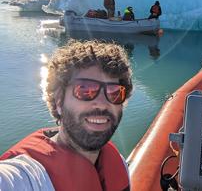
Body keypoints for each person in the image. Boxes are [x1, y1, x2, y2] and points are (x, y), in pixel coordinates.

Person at [0, 40, 133, 191]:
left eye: (114, 92)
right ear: (58, 101)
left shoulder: (119, 162)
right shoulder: (28, 177)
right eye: (85, 89)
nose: (102, 103)